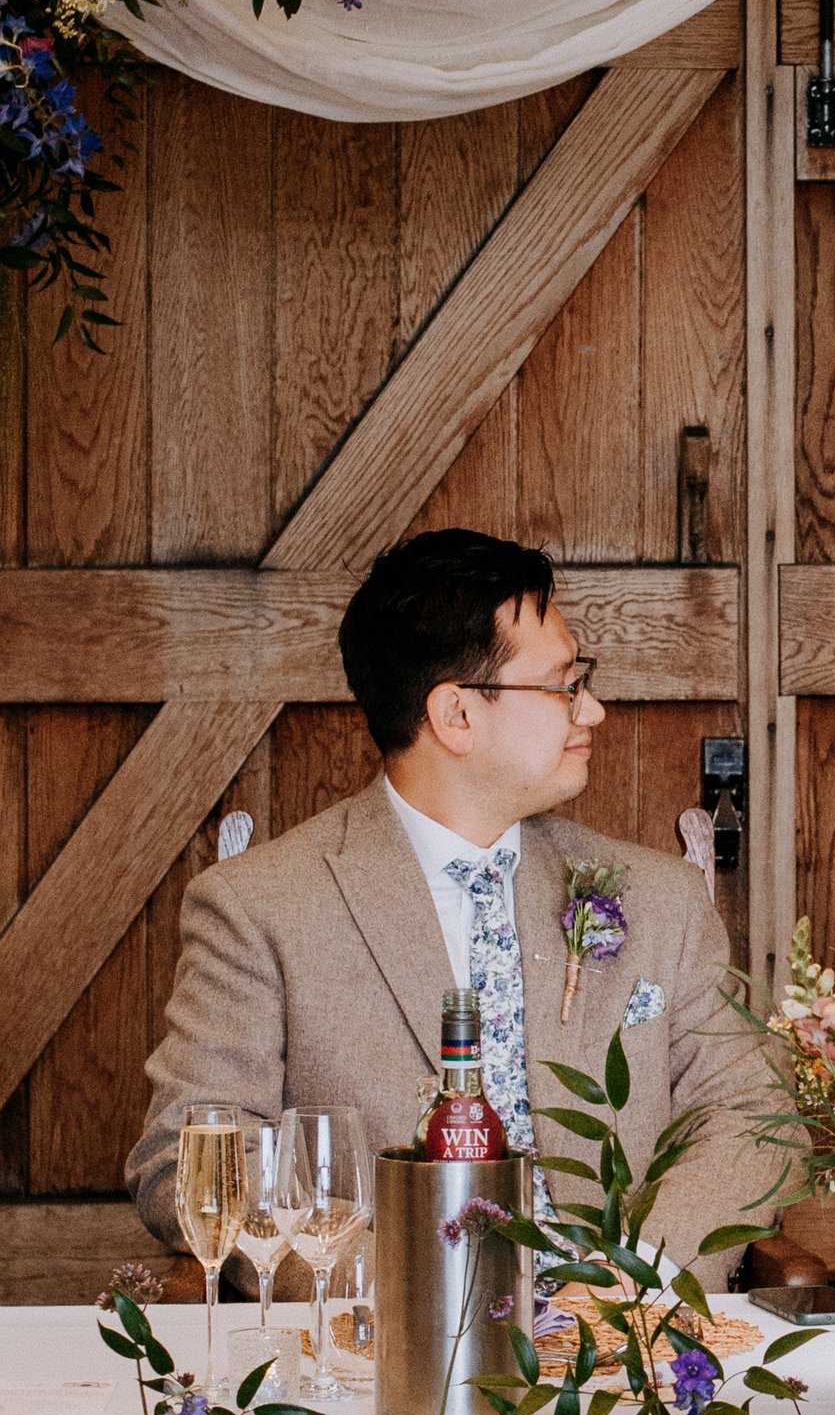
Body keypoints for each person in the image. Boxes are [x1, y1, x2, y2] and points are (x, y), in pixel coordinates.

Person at [130, 530, 783, 1287]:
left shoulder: (660, 898)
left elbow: (750, 1117)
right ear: (457, 716)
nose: (594, 710)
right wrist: (406, 1291)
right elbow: (186, 1162)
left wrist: (639, 1284)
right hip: (382, 1358)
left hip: (626, 1359)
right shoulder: (257, 909)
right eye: (565, 683)